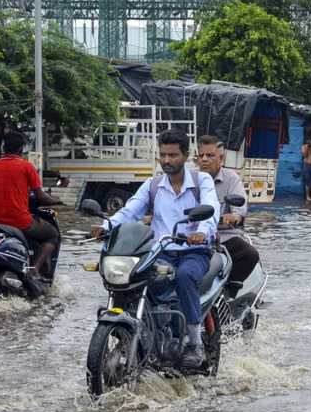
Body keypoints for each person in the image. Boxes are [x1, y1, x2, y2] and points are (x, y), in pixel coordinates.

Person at [89, 128, 221, 368]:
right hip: (161, 253)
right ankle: (145, 330)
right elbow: (130, 211)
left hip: (194, 252)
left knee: (184, 276)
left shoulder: (202, 180)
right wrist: (105, 226)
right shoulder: (153, 185)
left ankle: (194, 343)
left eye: (173, 155)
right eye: (163, 155)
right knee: (134, 277)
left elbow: (211, 208)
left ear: (186, 155)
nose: (167, 161)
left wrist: (201, 231)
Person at [0, 131, 61, 282]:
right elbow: (41, 196)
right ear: (21, 149)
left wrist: (2, 204)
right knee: (52, 234)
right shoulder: (27, 167)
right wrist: (54, 200)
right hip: (21, 223)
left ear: (4, 147)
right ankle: (35, 270)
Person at [196, 135, 260, 284]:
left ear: (221, 158)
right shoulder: (189, 177)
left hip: (224, 235)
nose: (204, 159)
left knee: (250, 255)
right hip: (194, 236)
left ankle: (226, 291)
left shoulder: (231, 178)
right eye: (201, 155)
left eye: (210, 155)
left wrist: (234, 216)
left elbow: (240, 207)